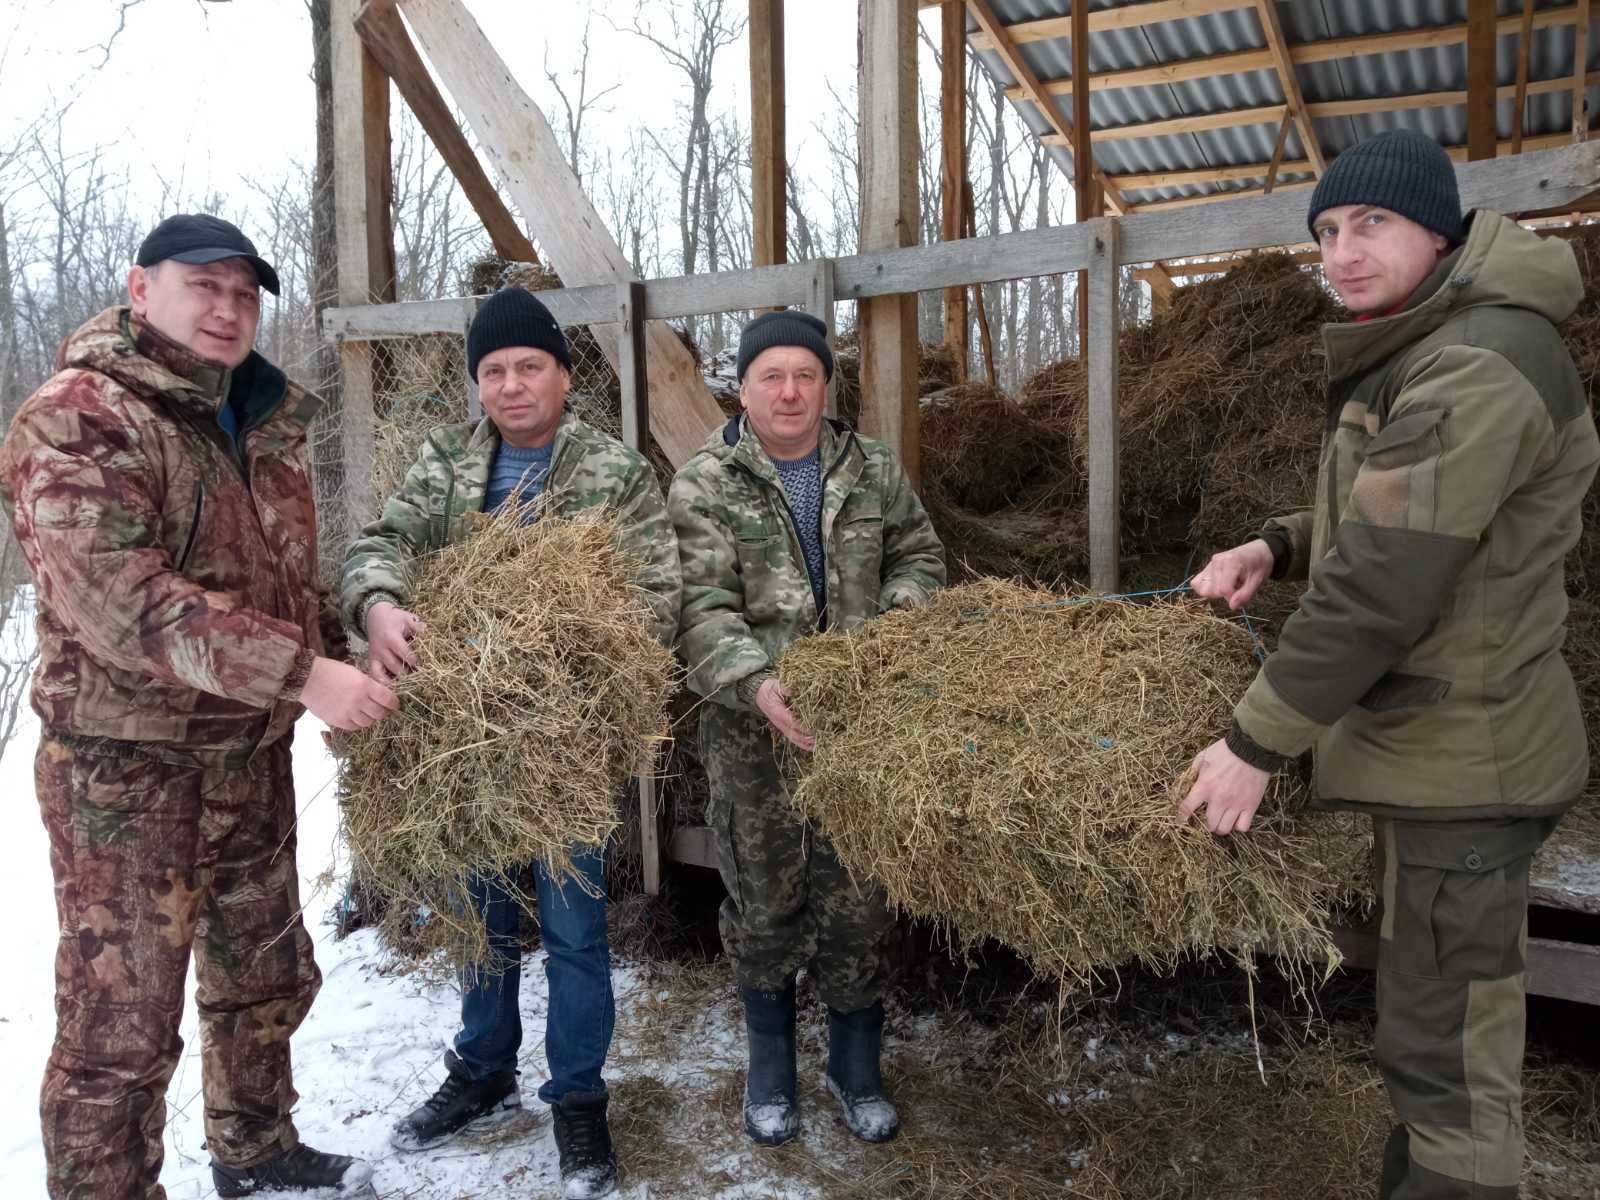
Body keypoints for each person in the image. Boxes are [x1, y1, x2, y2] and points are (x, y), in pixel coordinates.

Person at [1179, 130, 1598, 1199]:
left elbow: (1379, 590)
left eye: (1371, 223)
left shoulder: (1476, 362)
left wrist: (1252, 742)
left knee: (1446, 1059)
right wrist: (1273, 542)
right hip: (1447, 750)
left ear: (1439, 228)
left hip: (1468, 758)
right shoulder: (1435, 342)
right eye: (1326, 230)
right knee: (1430, 1035)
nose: (1342, 251)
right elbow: (1383, 516)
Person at [0, 213, 394, 1199]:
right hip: (129, 777)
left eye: (243, 292)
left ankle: (256, 1151)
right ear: (141, 291)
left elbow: (281, 586)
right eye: (202, 286)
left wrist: (360, 644)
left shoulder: (258, 417)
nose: (227, 309)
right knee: (120, 1025)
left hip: (247, 757)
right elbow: (119, 601)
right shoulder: (81, 415)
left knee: (264, 974)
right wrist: (307, 677)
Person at [340, 286, 679, 1200]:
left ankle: (577, 1099)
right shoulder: (447, 462)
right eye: (494, 371)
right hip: (467, 746)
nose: (512, 384)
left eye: (529, 366)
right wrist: (377, 605)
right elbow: (380, 545)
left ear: (565, 378)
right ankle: (484, 1069)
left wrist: (569, 654)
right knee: (475, 917)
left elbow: (659, 594)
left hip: (564, 744)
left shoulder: (612, 473)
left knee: (575, 932)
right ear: (477, 385)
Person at [668, 310, 946, 1146]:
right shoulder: (705, 483)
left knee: (860, 897)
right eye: (771, 376)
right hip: (753, 732)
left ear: (827, 385)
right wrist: (757, 682)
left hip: (862, 728)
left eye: (806, 376)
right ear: (743, 387)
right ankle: (772, 1066)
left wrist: (892, 628)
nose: (790, 392)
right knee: (763, 896)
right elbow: (698, 606)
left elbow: (921, 558)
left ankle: (855, 1065)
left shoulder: (872, 470)